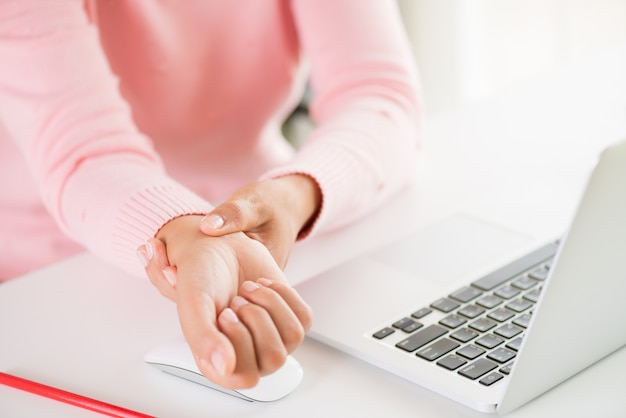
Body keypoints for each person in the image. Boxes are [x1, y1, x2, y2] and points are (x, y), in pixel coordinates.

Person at [0, 1, 421, 390]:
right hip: (52, 276)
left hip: (257, 235)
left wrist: (291, 196)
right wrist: (187, 236)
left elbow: (378, 93)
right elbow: (84, 152)